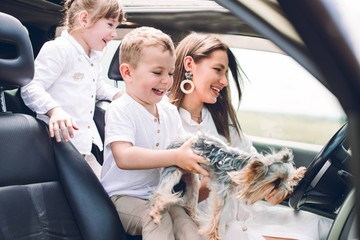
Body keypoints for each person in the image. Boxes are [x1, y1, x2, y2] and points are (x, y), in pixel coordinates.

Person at [168, 32, 333, 240]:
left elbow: (253, 161)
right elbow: (175, 200)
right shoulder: (167, 122)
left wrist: (274, 183)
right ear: (190, 64)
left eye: (226, 73)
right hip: (210, 226)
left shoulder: (220, 118)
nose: (225, 82)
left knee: (325, 225)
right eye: (218, 70)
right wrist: (221, 177)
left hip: (246, 213)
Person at [100, 26, 209, 240]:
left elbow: (182, 148)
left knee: (188, 225)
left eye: (170, 73)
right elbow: (124, 156)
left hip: (159, 197)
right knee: (157, 219)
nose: (167, 81)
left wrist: (200, 162)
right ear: (127, 73)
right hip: (123, 198)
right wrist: (175, 157)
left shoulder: (168, 110)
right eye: (157, 73)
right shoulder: (121, 109)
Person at [21, 0, 124, 178]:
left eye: (116, 27)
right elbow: (31, 86)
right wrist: (54, 110)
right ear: (84, 19)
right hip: (57, 147)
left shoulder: (94, 56)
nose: (114, 33)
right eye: (110, 24)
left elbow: (98, 87)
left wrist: (120, 95)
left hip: (83, 145)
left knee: (106, 192)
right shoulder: (59, 49)